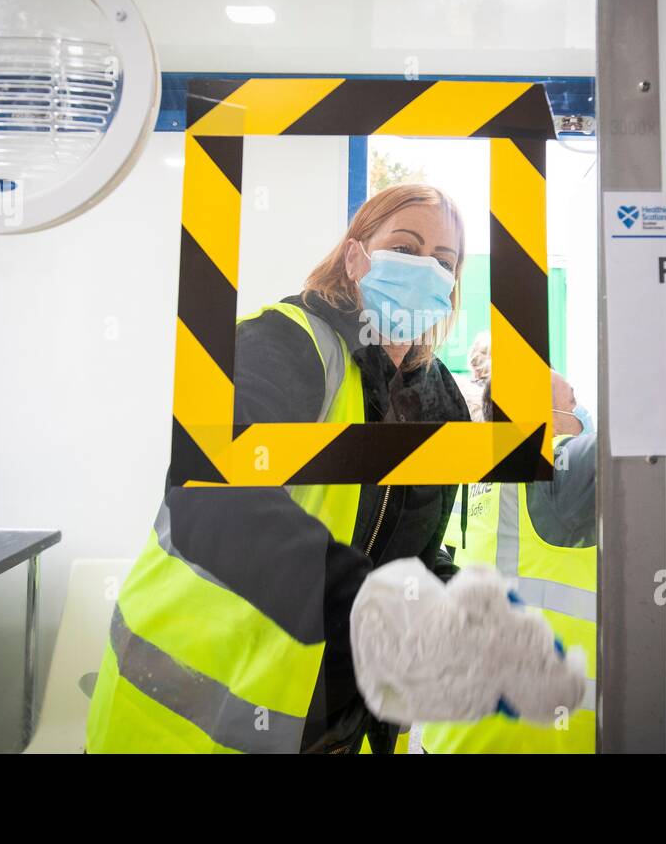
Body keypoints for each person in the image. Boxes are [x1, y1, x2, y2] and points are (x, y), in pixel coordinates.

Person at [86, 183, 568, 753]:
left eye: (444, 261)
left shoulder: (434, 396)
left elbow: (405, 547)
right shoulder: (282, 343)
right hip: (178, 727)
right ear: (354, 255)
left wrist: (463, 613)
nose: (425, 270)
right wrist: (378, 609)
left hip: (334, 730)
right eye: (405, 249)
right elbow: (210, 501)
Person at [422, 369, 597, 753]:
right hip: (533, 737)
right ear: (544, 418)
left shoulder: (470, 479)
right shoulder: (556, 471)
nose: (582, 411)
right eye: (572, 401)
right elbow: (629, 445)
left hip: (455, 733)